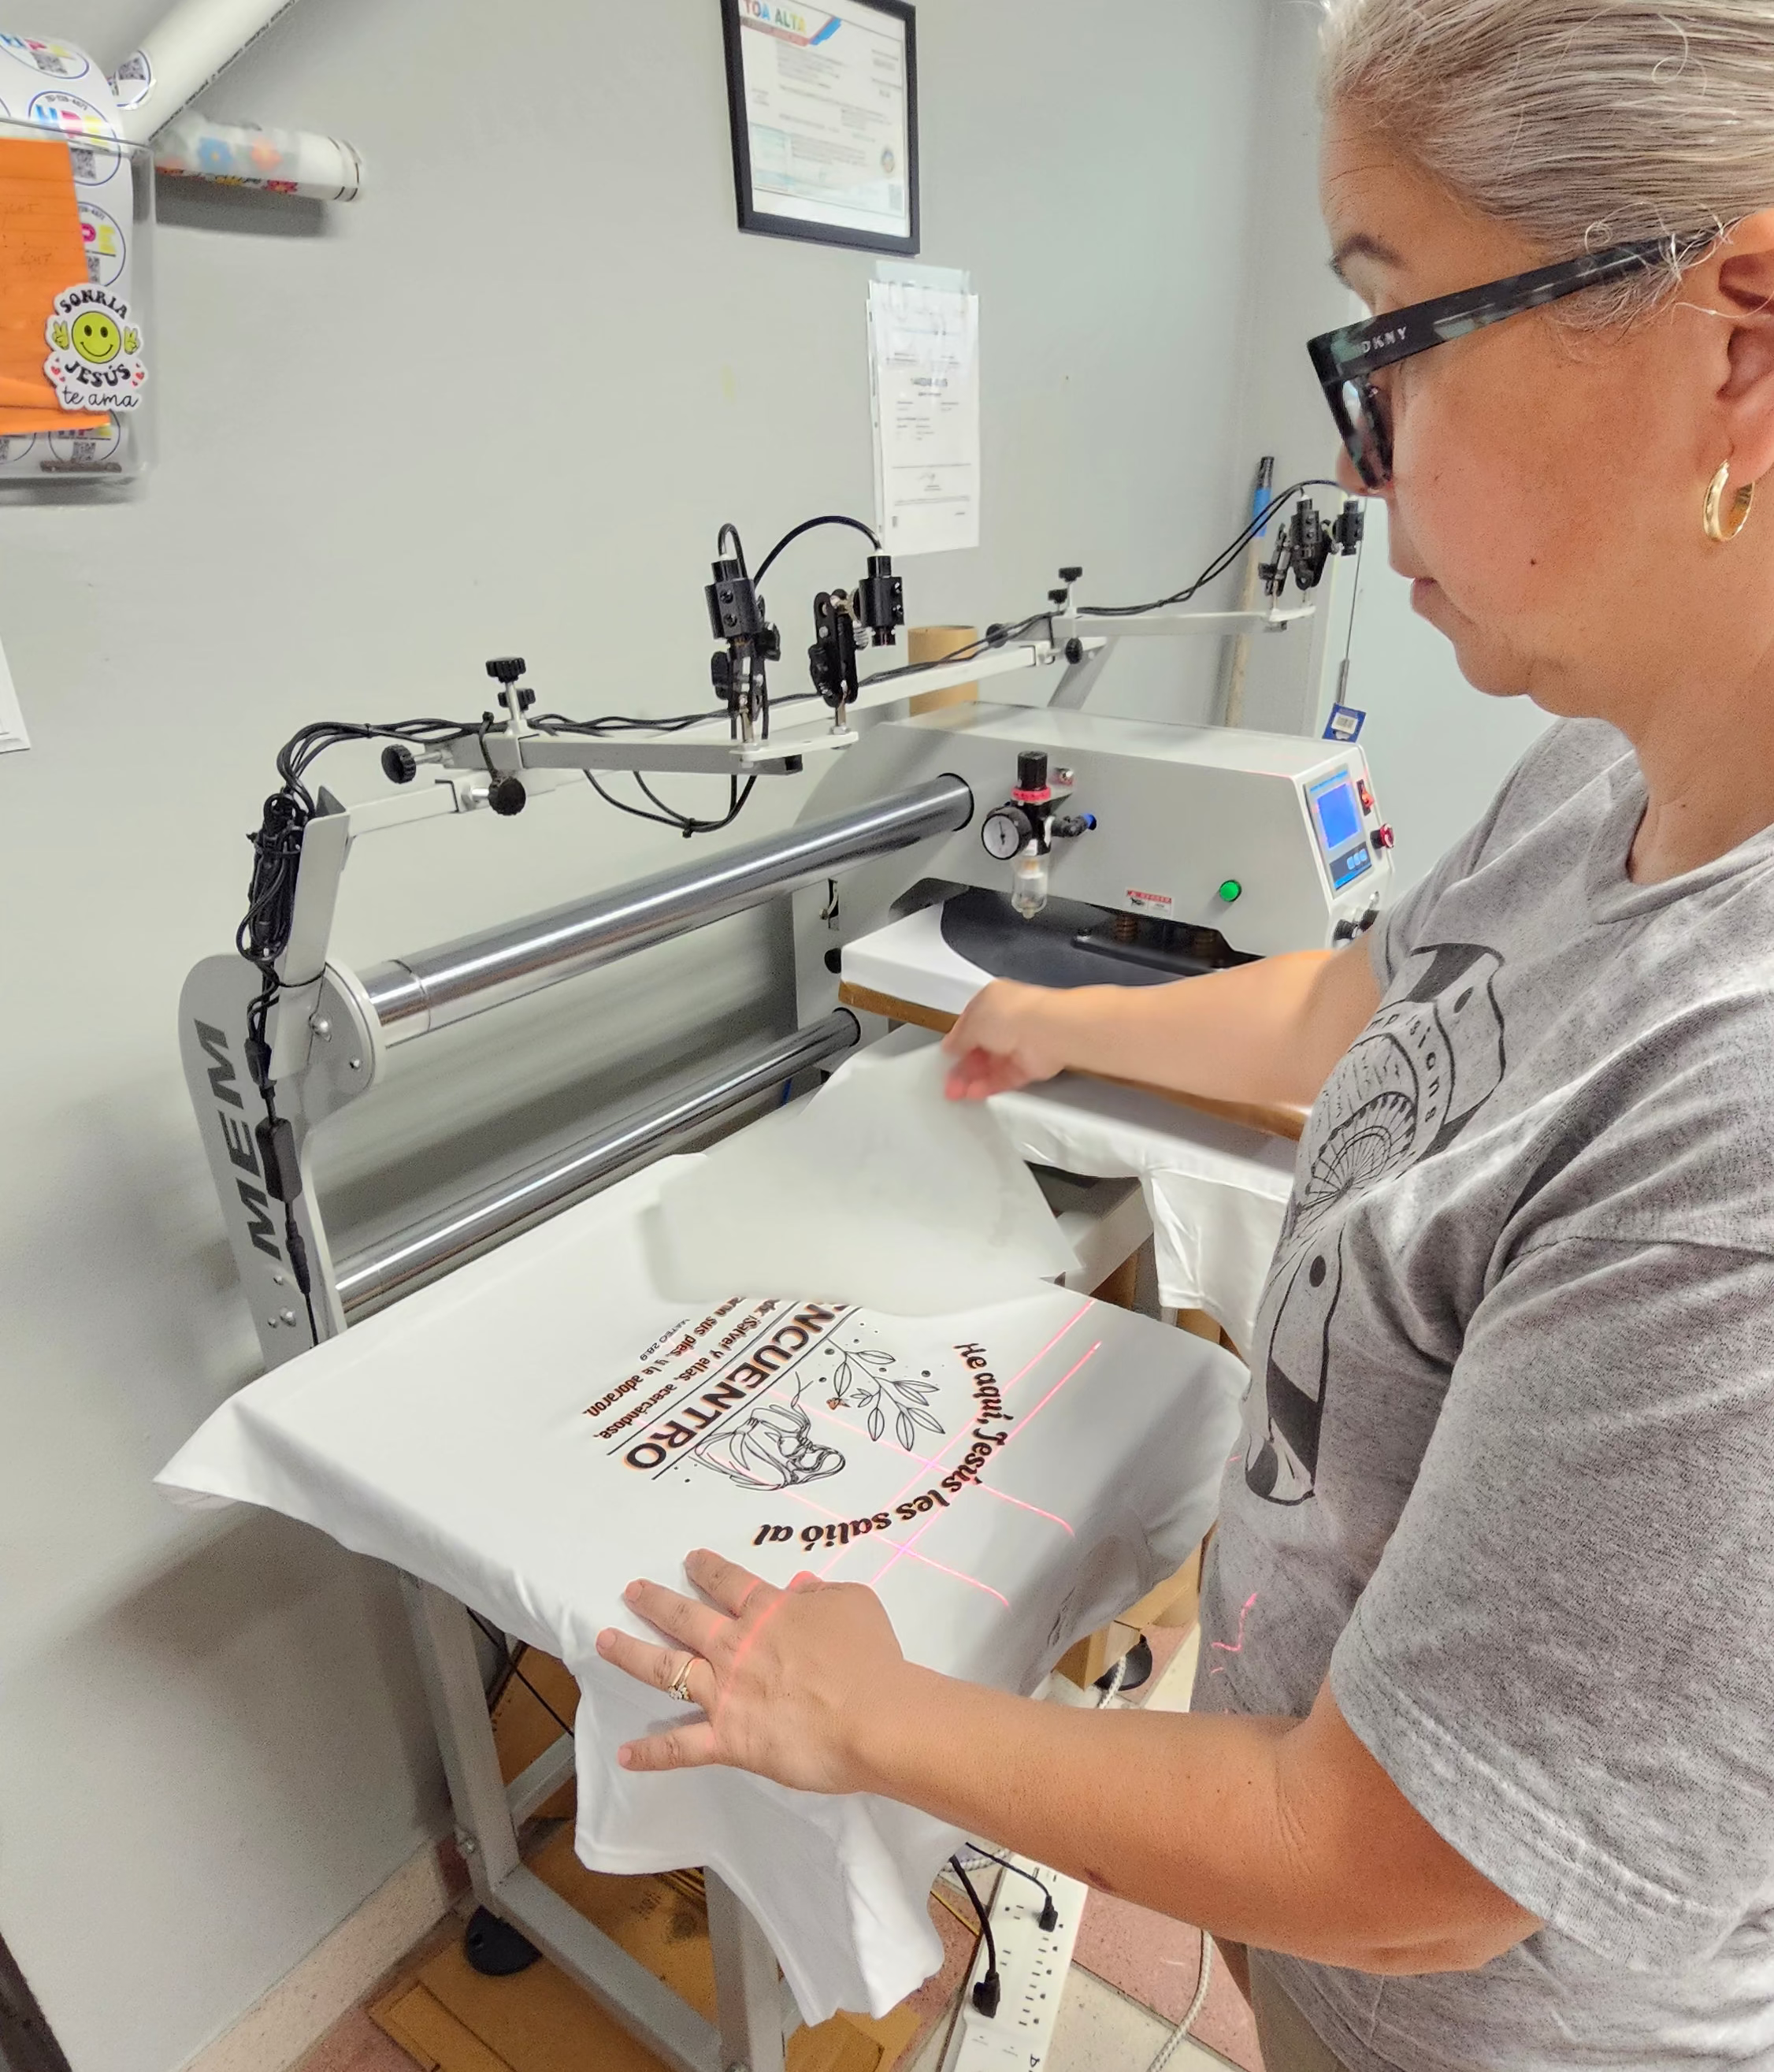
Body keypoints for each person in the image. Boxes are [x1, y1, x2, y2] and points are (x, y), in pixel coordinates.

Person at [597, 3, 1774, 2063]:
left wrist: (866, 1715)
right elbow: (1379, 1010)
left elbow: (1406, 1863)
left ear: (1736, 343)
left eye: (1393, 335)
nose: (1357, 457)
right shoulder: (1597, 776)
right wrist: (1056, 1028)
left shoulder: (1734, 1132)